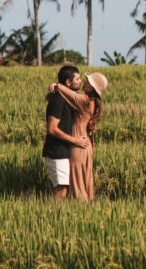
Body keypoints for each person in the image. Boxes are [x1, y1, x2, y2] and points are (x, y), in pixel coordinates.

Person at [47, 72, 108, 203]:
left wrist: (55, 85)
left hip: (78, 144)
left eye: (87, 82)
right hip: (85, 146)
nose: (84, 83)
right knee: (84, 179)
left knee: (77, 180)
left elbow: (69, 94)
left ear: (91, 87)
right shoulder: (92, 102)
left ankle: (79, 208)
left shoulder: (85, 100)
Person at [42, 64, 89, 201]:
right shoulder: (58, 100)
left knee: (64, 187)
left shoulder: (67, 98)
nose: (80, 82)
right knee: (61, 188)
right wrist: (76, 141)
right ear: (68, 82)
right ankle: (55, 215)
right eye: (78, 79)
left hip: (63, 150)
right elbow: (52, 128)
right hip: (56, 151)